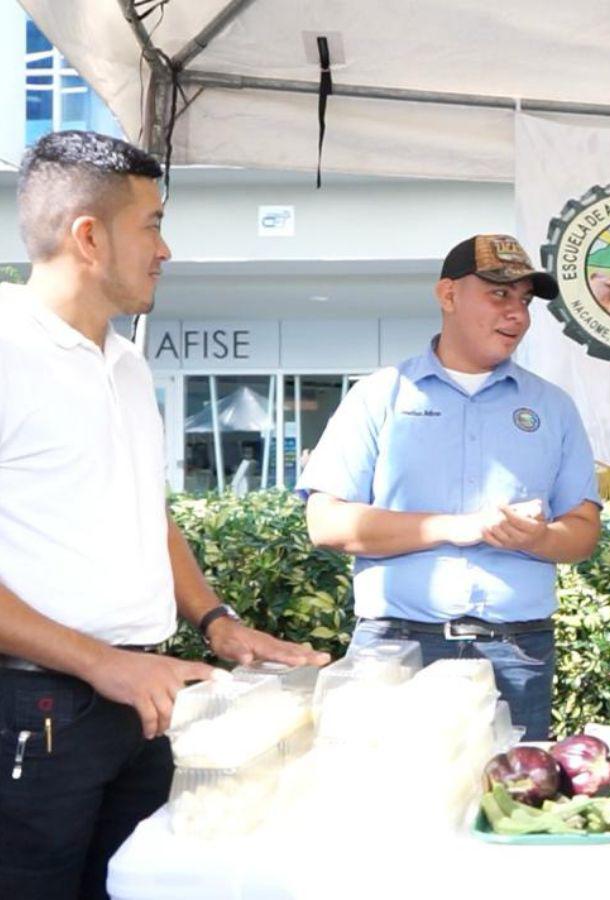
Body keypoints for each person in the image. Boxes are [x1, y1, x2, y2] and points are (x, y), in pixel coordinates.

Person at [0, 131, 330, 900]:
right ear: (89, 236)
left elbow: (150, 516)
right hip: (33, 710)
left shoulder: (125, 359)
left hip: (139, 699)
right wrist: (100, 663)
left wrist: (218, 621)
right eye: (151, 223)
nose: (167, 248)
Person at [301, 234, 601, 740]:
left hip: (518, 651)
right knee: (390, 805)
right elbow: (325, 522)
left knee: (505, 806)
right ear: (447, 295)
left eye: (525, 301)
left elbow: (584, 529)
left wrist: (539, 538)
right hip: (395, 648)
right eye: (499, 294)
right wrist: (458, 528)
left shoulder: (553, 407)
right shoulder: (380, 395)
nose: (517, 314)